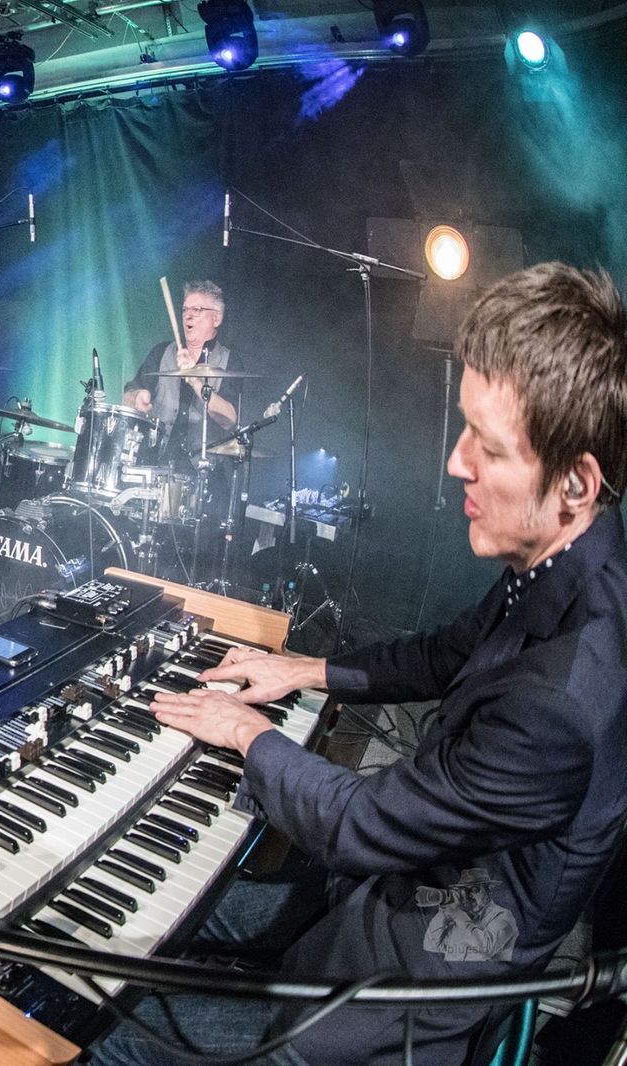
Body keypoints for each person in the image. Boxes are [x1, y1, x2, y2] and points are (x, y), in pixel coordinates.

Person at [93, 263, 627, 1065]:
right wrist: (305, 672)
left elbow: (360, 823)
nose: (456, 463)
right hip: (383, 895)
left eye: (488, 446)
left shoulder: (565, 692)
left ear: (576, 482)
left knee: (108, 1041)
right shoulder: (564, 565)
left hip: (393, 998)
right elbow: (444, 653)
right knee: (135, 931)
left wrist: (246, 733)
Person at [122, 280, 241, 469]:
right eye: (185, 309)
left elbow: (229, 420)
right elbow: (127, 397)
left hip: (203, 471)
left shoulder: (229, 361)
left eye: (197, 310)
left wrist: (195, 381)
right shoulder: (161, 353)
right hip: (155, 465)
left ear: (216, 318)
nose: (188, 316)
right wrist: (137, 397)